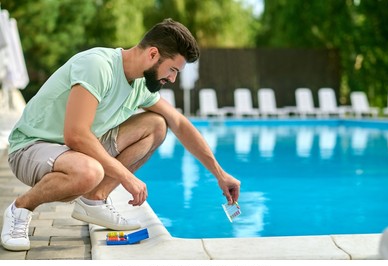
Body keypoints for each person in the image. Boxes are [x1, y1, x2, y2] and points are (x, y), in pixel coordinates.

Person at [1, 18, 241, 251]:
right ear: (153, 54)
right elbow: (76, 135)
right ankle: (20, 209)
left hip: (72, 150)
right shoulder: (98, 66)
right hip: (31, 147)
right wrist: (126, 176)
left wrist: (219, 175)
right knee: (89, 172)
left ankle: (95, 198)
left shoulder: (140, 84)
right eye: (172, 70)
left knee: (157, 125)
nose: (172, 78)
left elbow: (178, 122)